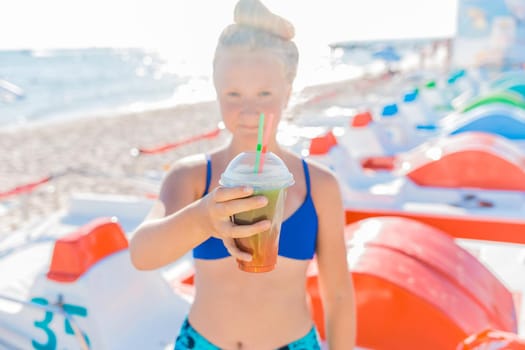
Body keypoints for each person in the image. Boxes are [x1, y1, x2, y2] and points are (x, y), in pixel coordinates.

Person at [129, 0, 356, 348]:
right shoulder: (191, 177)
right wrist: (204, 219)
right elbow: (142, 255)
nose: (249, 110)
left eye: (264, 93)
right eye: (234, 94)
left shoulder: (319, 186)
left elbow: (339, 295)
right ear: (217, 92)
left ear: (287, 92)